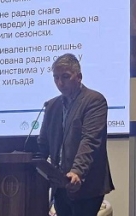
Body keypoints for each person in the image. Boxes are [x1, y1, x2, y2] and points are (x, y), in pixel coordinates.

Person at [38, 53, 114, 216]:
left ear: (79, 77)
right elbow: (42, 144)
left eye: (65, 77)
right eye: (56, 77)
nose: (60, 82)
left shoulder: (94, 100)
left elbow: (90, 140)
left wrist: (77, 171)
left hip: (86, 185)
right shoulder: (52, 105)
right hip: (60, 185)